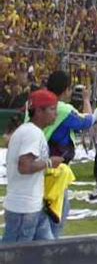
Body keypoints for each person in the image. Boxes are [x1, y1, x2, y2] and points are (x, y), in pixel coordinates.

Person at [3, 90, 63, 243]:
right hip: (23, 209)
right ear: (38, 111)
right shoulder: (32, 133)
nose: (55, 114)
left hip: (33, 206)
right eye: (52, 109)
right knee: (15, 256)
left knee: (48, 250)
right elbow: (24, 167)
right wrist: (50, 162)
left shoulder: (30, 131)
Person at [43, 71, 95, 238]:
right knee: (56, 216)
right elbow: (88, 120)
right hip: (54, 171)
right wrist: (86, 99)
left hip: (38, 163)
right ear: (65, 90)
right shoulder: (63, 109)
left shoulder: (37, 103)